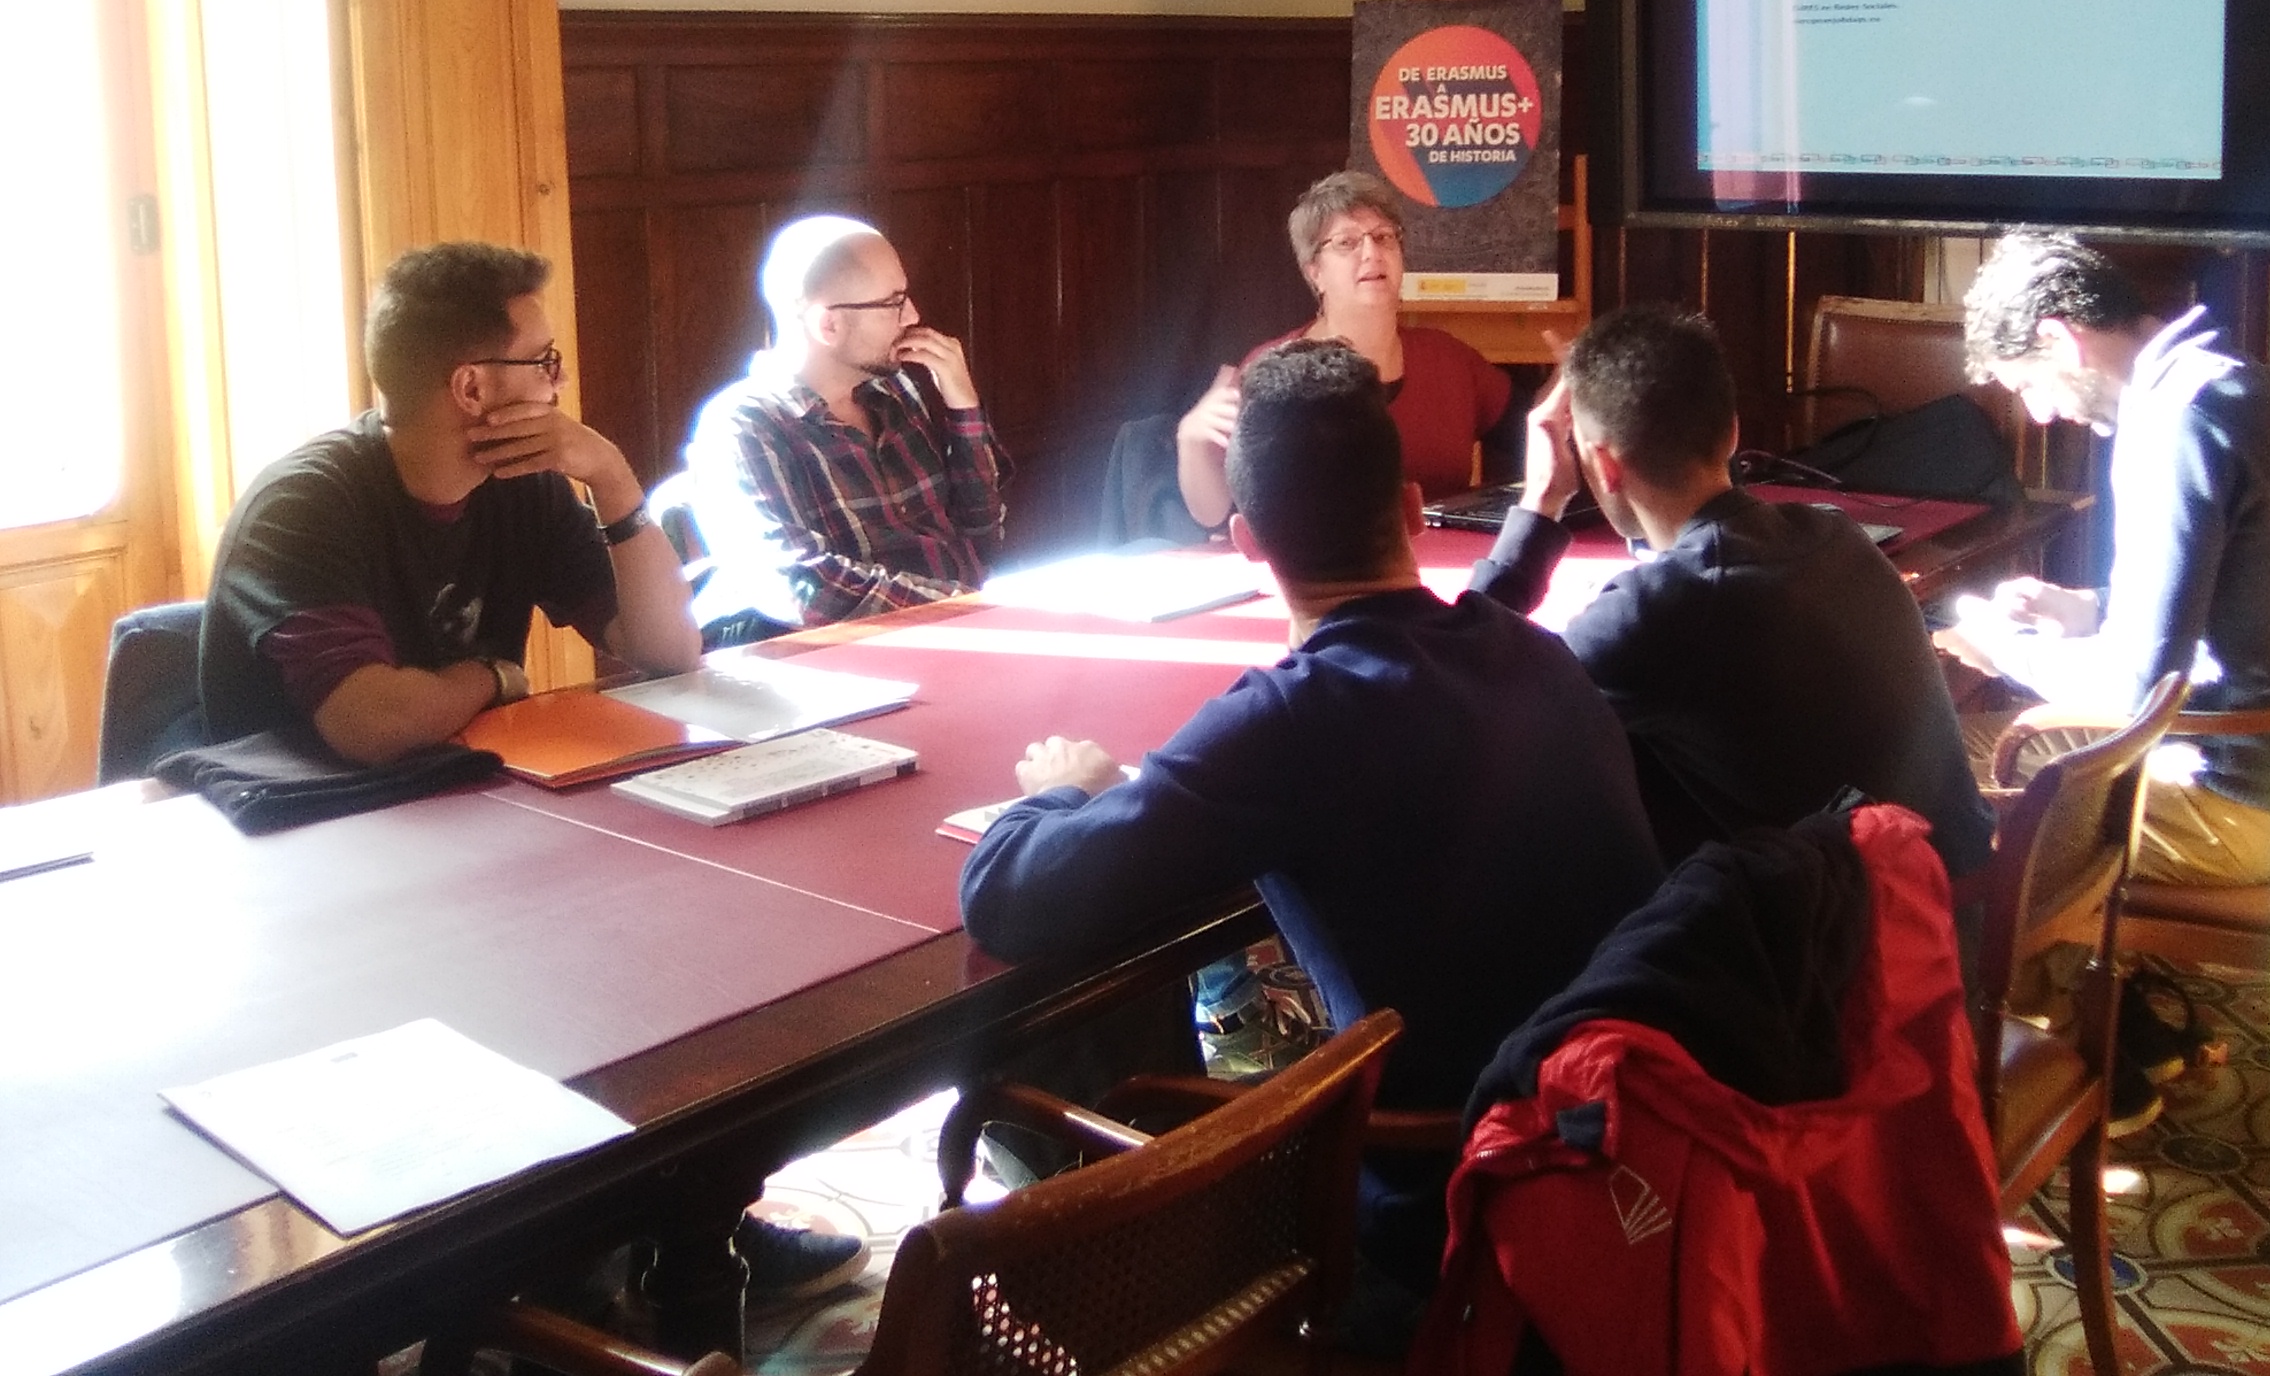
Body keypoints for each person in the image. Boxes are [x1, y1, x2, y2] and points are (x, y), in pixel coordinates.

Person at [961, 341, 1662, 1317]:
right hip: (1625, 1143)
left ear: (1247, 543)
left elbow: (1009, 897)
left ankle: (1145, 1316)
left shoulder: (1288, 720)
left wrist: (1059, 793)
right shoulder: (1532, 653)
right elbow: (1447, 635)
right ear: (1412, 510)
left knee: (1058, 1029)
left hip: (1437, 1208)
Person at [1468, 304, 1995, 880]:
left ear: (1603, 464)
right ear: (1734, 430)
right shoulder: (1835, 533)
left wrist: (1540, 500)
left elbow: (1463, 690)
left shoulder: (1659, 609)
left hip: (1858, 926)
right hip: (1952, 885)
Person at [1933, 230, 2270, 887]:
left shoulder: (2174, 427)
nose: (2039, 415)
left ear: (2058, 337)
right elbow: (2247, 587)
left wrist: (2003, 649)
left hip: (2232, 804)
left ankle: (2009, 957)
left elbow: (2133, 693)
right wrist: (2087, 609)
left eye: (2028, 385)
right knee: (1952, 754)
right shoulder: (2239, 381)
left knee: (1922, 774)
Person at [199, 241, 702, 765]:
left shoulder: (523, 484)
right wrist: (492, 675)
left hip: (453, 787)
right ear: (471, 388)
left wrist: (612, 477)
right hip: (312, 806)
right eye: (544, 362)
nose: (561, 381)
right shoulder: (300, 507)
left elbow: (671, 651)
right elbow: (375, 724)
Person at [686, 215, 1009, 631]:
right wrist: (964, 608)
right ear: (829, 325)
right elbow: (800, 587)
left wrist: (963, 407)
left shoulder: (896, 392)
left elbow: (983, 534)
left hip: (967, 630)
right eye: (893, 303)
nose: (912, 315)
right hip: (848, 656)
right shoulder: (743, 426)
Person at [1174, 171, 1511, 528]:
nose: (1372, 253)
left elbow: (1531, 437)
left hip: (1447, 559)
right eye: (1346, 243)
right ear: (1314, 272)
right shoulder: (1272, 371)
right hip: (1319, 563)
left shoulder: (1450, 360)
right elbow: (1212, 513)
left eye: (1383, 237)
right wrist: (1191, 441)